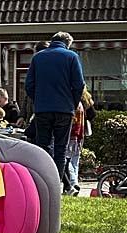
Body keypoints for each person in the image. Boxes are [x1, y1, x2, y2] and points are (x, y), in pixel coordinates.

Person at [26, 31, 85, 193]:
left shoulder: (38, 58)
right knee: (60, 148)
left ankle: (41, 184)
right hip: (64, 110)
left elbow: (29, 85)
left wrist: (38, 100)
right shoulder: (71, 57)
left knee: (42, 146)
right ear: (67, 43)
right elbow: (79, 85)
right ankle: (55, 186)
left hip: (42, 110)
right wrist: (71, 103)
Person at [64, 88, 96, 195]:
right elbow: (92, 114)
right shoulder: (86, 100)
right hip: (80, 134)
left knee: (66, 159)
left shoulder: (72, 101)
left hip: (71, 134)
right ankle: (74, 182)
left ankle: (72, 183)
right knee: (75, 161)